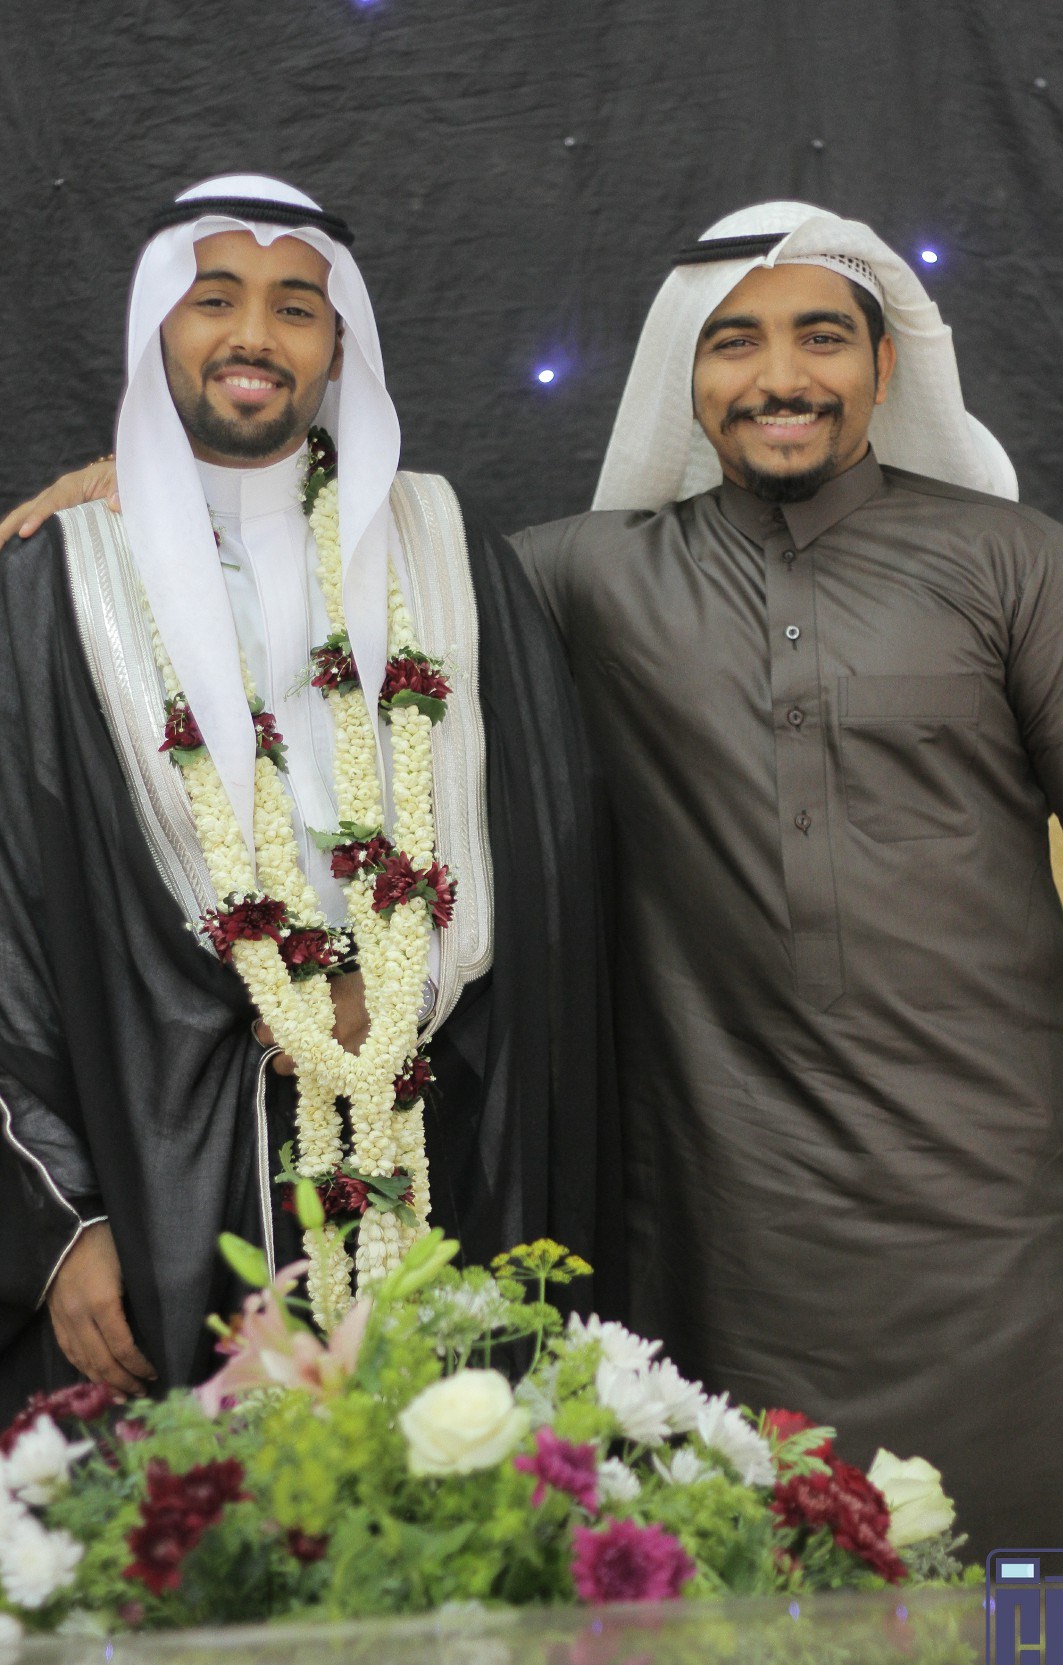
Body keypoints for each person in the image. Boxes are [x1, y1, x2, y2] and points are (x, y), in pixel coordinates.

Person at [12, 199, 1063, 1555]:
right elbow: (350, 573)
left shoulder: (1014, 559)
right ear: (687, 381)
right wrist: (141, 483)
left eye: (822, 338)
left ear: (886, 365)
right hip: (741, 1218)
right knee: (789, 1587)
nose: (781, 378)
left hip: (1025, 1182)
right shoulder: (585, 577)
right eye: (734, 344)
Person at [0, 175, 617, 1426]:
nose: (253, 337)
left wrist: (407, 981)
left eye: (295, 307)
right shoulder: (54, 589)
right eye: (213, 299)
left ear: (338, 346)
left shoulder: (449, 555)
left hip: (440, 1149)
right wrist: (58, 1222)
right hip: (157, 1178)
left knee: (445, 1494)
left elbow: (548, 857)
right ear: (157, 327)